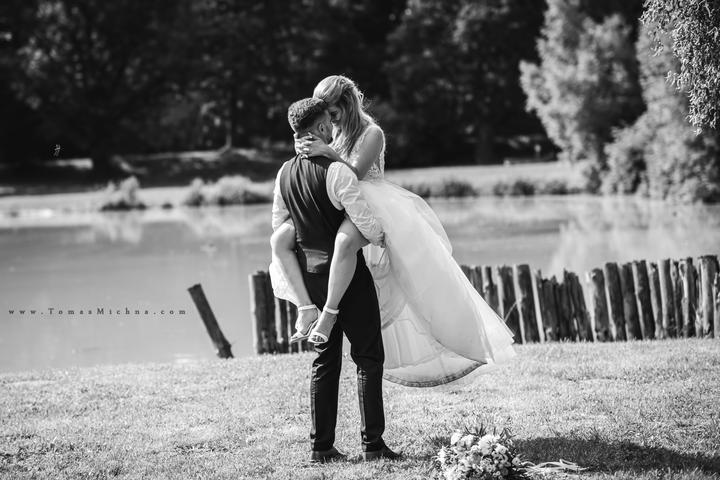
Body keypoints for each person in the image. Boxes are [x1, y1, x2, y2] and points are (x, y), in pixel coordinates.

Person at [270, 75, 517, 388]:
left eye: (333, 113)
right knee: (283, 239)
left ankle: (331, 314)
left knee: (350, 248)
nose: (331, 121)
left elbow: (355, 173)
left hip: (371, 204)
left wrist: (327, 152)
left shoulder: (371, 133)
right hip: (337, 201)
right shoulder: (333, 131)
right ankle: (307, 307)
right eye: (326, 118)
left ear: (347, 104)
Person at [272, 97, 401, 462]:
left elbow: (280, 225)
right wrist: (383, 235)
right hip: (349, 279)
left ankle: (321, 447)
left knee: (324, 363)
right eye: (328, 123)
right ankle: (373, 445)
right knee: (368, 358)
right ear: (321, 128)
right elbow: (366, 225)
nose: (332, 128)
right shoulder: (337, 172)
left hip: (311, 279)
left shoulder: (283, 173)